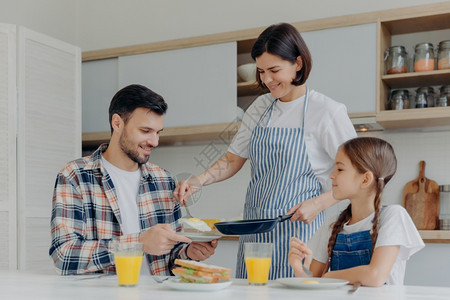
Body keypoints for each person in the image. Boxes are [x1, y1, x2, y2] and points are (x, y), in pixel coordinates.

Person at [174, 23, 357, 279]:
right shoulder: (260, 107)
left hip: (301, 234)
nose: (266, 80)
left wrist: (319, 203)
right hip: (256, 234)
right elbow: (232, 159)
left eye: (274, 70)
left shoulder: (327, 111)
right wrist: (199, 180)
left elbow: (360, 174)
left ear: (299, 64)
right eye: (261, 71)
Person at [49, 84, 217, 276]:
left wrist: (188, 253)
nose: (154, 141)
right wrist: (138, 243)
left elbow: (171, 258)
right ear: (117, 123)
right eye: (146, 131)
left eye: (158, 132)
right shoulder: (75, 176)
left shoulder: (164, 180)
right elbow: (63, 255)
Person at [288, 137, 425, 286]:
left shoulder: (393, 216)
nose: (332, 175)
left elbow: (375, 275)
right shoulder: (332, 223)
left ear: (365, 179)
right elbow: (313, 282)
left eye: (340, 169)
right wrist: (299, 269)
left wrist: (329, 276)